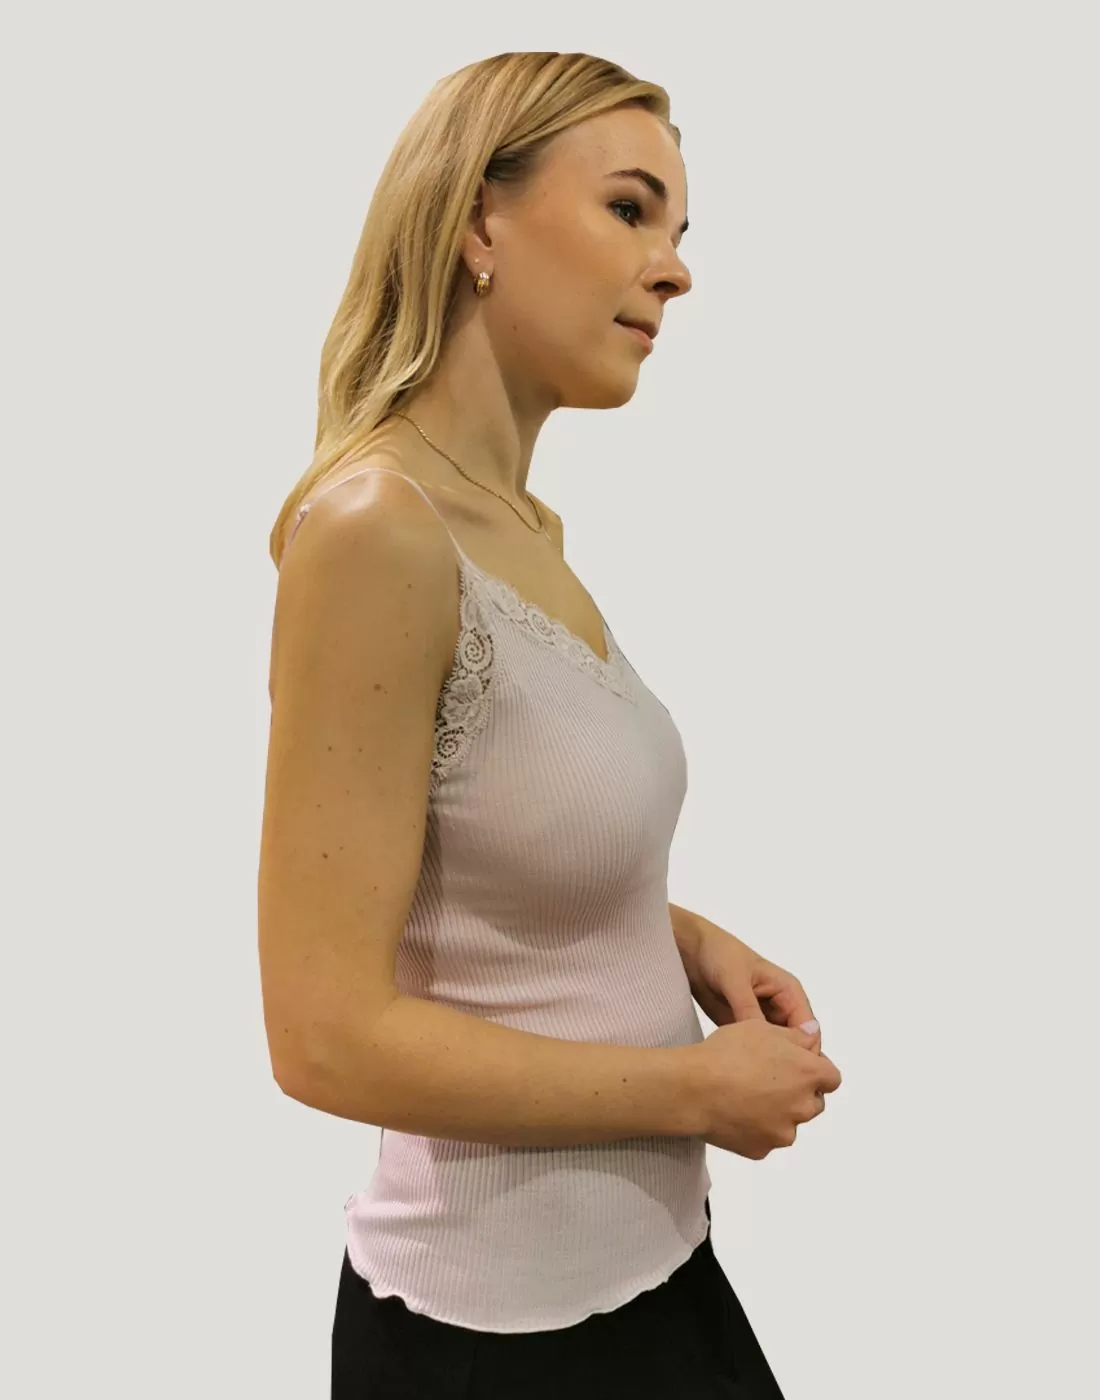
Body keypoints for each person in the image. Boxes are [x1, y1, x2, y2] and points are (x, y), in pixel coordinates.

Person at [259, 49, 839, 1399]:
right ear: (479, 221)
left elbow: (475, 854)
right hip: (495, 1347)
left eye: (678, 229)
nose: (674, 270)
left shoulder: (522, 532)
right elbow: (322, 1033)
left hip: (653, 1271)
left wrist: (676, 936)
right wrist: (694, 1091)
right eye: (630, 209)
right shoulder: (376, 532)